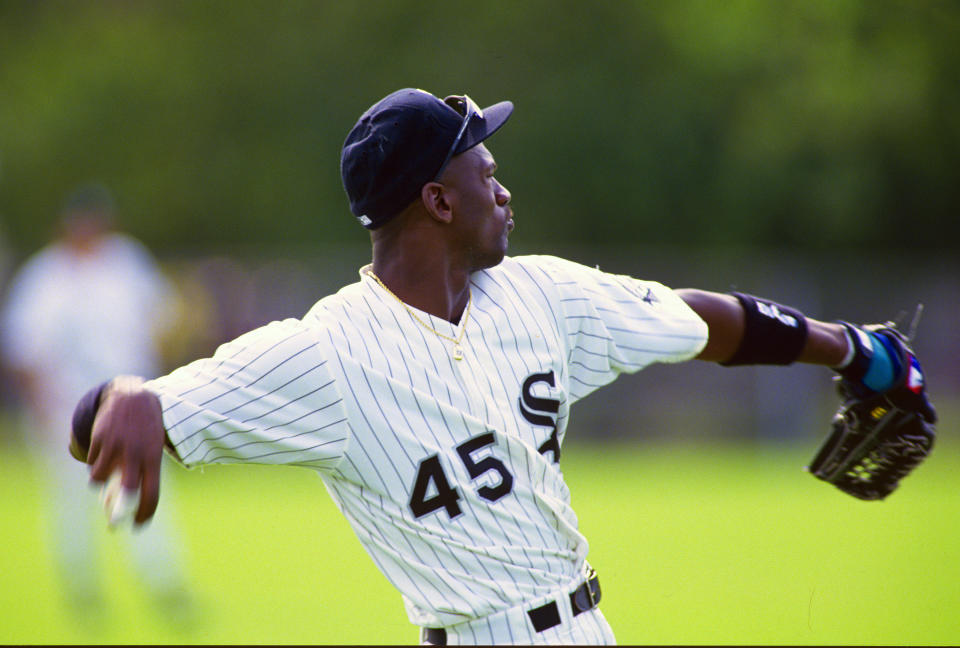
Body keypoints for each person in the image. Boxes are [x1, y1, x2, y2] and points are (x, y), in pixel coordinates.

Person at [67, 89, 925, 645]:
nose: (503, 189)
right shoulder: (326, 357)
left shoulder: (540, 297)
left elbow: (699, 320)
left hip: (592, 629)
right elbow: (110, 418)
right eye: (487, 171)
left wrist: (853, 348)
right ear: (438, 202)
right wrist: (128, 395)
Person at [0, 184, 192, 617]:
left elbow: (164, 317)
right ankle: (81, 587)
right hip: (67, 406)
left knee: (144, 487)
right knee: (72, 499)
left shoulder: (125, 262)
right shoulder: (47, 276)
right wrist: (42, 406)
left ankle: (161, 581)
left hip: (129, 399)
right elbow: (23, 349)